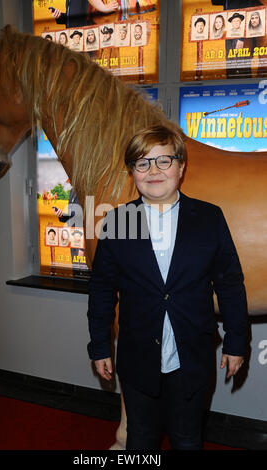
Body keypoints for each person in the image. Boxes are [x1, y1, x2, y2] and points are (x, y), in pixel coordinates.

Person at [87, 124, 248, 450]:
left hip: (191, 357)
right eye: (142, 163)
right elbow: (103, 288)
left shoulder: (208, 217)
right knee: (141, 440)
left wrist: (236, 342)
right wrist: (101, 345)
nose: (153, 171)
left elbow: (229, 284)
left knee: (188, 440)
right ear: (132, 171)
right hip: (137, 359)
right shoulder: (119, 221)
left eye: (164, 161)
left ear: (181, 167)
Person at [49, 0, 119, 28]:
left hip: (86, 35)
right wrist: (59, 16)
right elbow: (73, 17)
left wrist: (103, 8)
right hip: (73, 38)